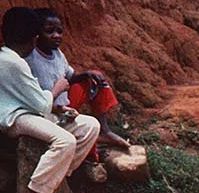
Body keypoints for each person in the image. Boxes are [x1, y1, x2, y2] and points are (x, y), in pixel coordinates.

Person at [0, 6, 100, 193]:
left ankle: (57, 178)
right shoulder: (12, 63)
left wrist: (60, 109)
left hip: (28, 114)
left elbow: (38, 103)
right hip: (13, 120)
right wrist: (58, 88)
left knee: (89, 126)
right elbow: (41, 103)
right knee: (65, 140)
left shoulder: (10, 58)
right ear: (33, 39)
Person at [29, 9, 132, 151]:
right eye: (49, 31)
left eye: (59, 31)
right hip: (47, 110)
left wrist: (86, 74)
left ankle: (105, 131)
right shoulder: (30, 58)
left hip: (65, 106)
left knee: (94, 78)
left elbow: (70, 77)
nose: (56, 36)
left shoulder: (57, 54)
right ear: (37, 33)